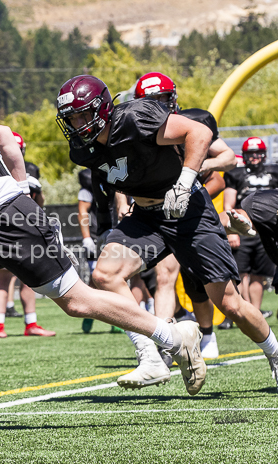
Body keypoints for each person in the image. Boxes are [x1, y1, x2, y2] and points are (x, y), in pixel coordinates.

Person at [0, 46, 207, 416]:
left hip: (8, 219)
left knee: (77, 301)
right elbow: (6, 136)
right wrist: (22, 187)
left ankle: (172, 335)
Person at [56, 74, 277, 391]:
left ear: (102, 109)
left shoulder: (135, 117)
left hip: (189, 210)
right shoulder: (83, 150)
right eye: (71, 118)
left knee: (230, 304)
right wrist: (121, 203)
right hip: (146, 216)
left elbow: (198, 132)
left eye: (82, 114)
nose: (77, 124)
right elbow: (113, 175)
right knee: (105, 275)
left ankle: (275, 354)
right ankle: (151, 358)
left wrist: (184, 183)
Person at [131, 71, 237, 360]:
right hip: (156, 212)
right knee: (164, 275)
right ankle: (164, 341)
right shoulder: (134, 130)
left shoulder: (195, 121)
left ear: (173, 97)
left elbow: (228, 160)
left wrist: (200, 166)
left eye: (162, 99)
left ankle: (208, 333)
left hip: (191, 211)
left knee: (201, 282)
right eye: (150, 101)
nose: (158, 106)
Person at [0, 132, 55, 338]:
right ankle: (26, 324)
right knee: (17, 277)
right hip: (13, 225)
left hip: (6, 225)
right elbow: (39, 202)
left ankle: (2, 326)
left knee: (10, 278)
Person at [220, 137, 278, 328]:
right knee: (239, 272)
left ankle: (256, 312)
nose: (255, 157)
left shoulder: (274, 171)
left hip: (267, 230)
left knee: (259, 274)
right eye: (251, 153)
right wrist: (232, 231)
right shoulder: (236, 173)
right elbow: (228, 203)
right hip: (243, 225)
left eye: (258, 152)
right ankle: (238, 312)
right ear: (244, 155)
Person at [76, 168, 124, 334]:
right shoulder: (91, 180)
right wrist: (86, 237)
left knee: (120, 276)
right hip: (104, 232)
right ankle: (90, 311)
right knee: (100, 278)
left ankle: (119, 318)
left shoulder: (127, 171)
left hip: (126, 230)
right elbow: (83, 211)